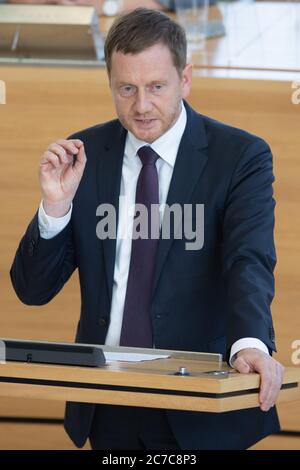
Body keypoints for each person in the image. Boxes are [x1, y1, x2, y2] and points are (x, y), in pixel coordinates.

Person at [10, 8, 284, 450]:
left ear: (186, 78)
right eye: (127, 89)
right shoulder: (85, 154)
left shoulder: (240, 157)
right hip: (108, 401)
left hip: (198, 402)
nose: (141, 106)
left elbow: (247, 260)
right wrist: (55, 207)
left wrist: (250, 342)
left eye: (156, 87)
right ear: (111, 86)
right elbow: (32, 290)